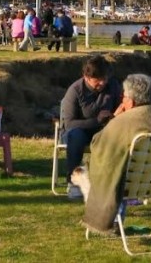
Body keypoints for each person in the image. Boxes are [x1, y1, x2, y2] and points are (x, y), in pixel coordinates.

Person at [82, 74, 151, 233]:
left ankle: (114, 220)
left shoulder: (124, 121)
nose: (122, 100)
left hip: (132, 184)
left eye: (124, 97)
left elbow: (97, 143)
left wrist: (115, 118)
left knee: (114, 165)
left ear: (131, 100)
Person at [60, 55, 122, 199]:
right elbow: (69, 123)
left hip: (103, 131)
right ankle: (73, 182)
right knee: (76, 135)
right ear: (86, 77)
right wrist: (97, 121)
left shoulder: (113, 86)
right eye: (98, 79)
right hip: (77, 132)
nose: (102, 82)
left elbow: (119, 108)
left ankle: (114, 182)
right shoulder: (75, 90)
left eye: (105, 78)